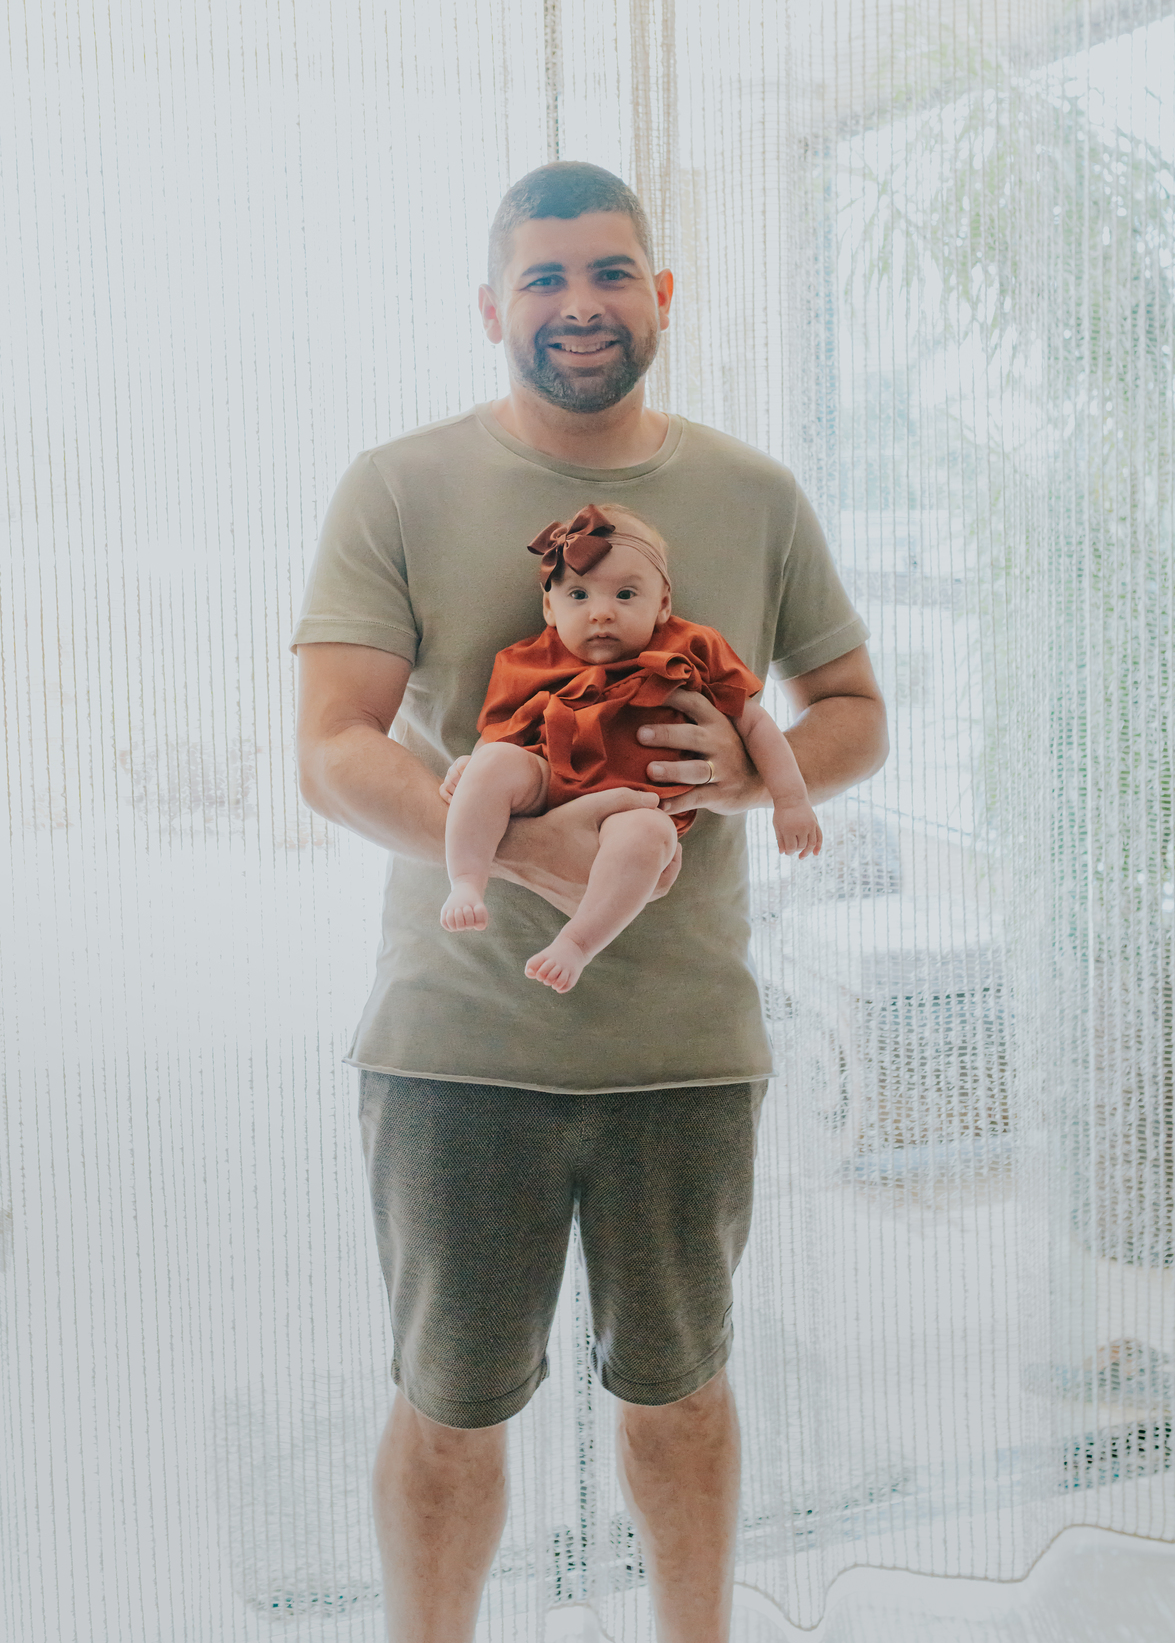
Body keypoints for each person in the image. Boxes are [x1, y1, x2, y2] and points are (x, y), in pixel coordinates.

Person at [292, 160, 888, 1643]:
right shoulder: (400, 483)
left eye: (611, 272)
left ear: (661, 296)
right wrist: (519, 848)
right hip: (455, 1051)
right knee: (448, 1416)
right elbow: (330, 750)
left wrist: (756, 780)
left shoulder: (751, 494)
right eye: (546, 278)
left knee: (680, 1403)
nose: (580, 304)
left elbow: (855, 712)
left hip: (682, 1050)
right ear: (494, 304)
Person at [440, 501, 823, 992]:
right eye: (578, 594)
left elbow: (757, 725)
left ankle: (577, 943)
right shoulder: (528, 661)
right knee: (493, 763)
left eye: (625, 594)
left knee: (647, 835)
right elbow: (500, 733)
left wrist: (790, 800)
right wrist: (471, 767)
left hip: (641, 801)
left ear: (662, 604)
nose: (601, 612)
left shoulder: (692, 649)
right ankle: (467, 881)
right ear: (549, 608)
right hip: (549, 779)